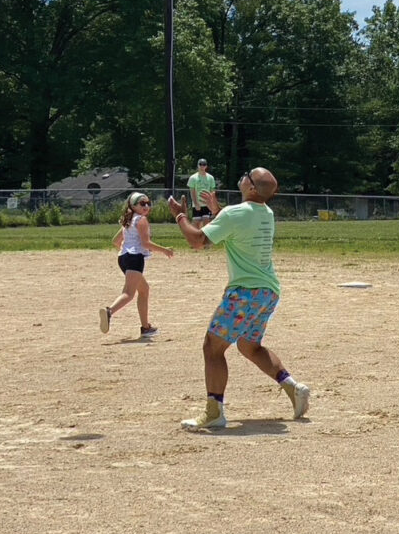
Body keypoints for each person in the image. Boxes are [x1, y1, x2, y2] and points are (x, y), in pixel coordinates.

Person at [167, 166, 310, 429]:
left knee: (213, 347)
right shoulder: (265, 212)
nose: (242, 176)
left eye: (247, 175)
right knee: (249, 346)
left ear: (252, 188)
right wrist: (217, 210)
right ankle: (293, 387)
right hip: (268, 291)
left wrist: (179, 216)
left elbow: (197, 241)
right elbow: (238, 224)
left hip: (245, 292)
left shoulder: (235, 213)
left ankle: (214, 412)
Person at [100, 193, 174, 338]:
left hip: (123, 257)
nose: (146, 206)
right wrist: (165, 250)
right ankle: (109, 311)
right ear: (133, 206)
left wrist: (127, 251)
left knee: (144, 290)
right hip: (134, 258)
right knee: (128, 293)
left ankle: (146, 328)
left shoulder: (128, 220)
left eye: (148, 203)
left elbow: (116, 241)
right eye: (142, 203)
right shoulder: (141, 219)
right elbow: (145, 243)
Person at [187, 158, 217, 226]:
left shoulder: (210, 178)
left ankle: (204, 237)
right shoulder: (193, 178)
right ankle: (195, 236)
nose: (202, 166)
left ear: (206, 166)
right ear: (198, 165)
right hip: (197, 204)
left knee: (206, 224)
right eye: (200, 164)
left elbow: (212, 193)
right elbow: (192, 192)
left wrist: (212, 205)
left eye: (204, 164)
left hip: (207, 205)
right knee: (196, 223)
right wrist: (196, 203)